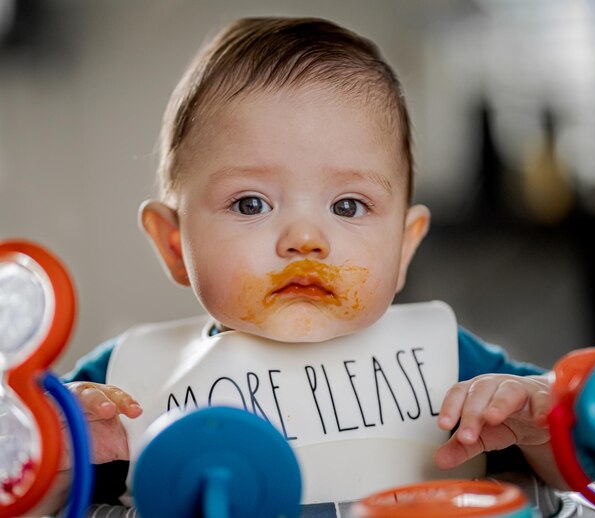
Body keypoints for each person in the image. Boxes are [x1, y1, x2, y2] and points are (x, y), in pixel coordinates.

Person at [43, 16, 566, 512]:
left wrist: (540, 427)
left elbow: (576, 473)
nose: (305, 239)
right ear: (175, 244)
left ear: (404, 247)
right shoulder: (123, 387)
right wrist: (58, 456)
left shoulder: (447, 359)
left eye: (347, 206)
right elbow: (31, 499)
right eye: (251, 204)